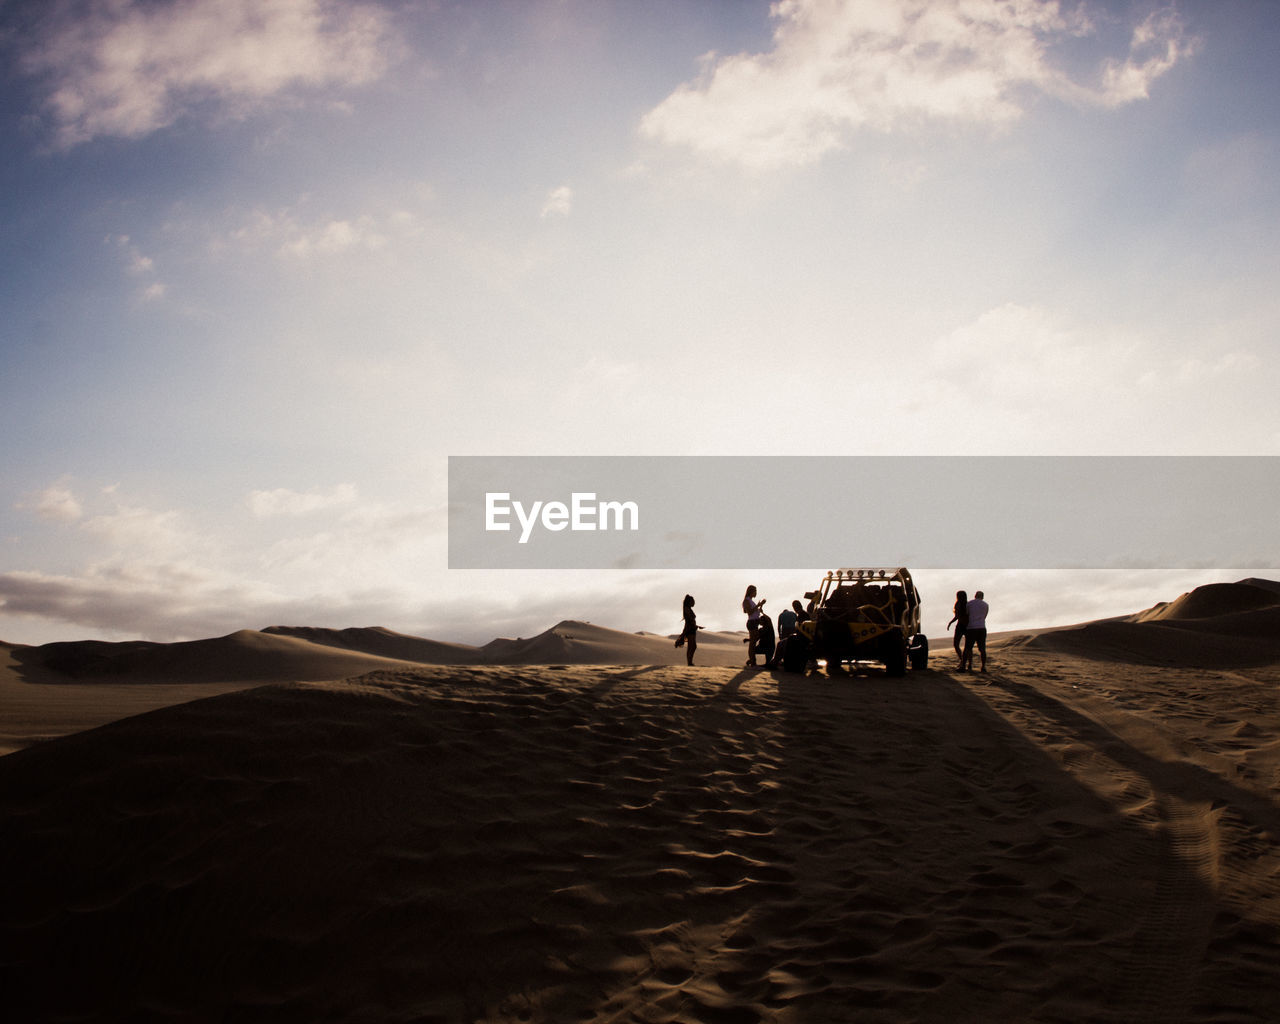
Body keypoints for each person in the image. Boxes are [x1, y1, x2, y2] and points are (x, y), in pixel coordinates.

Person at [961, 590, 989, 674]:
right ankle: (983, 666)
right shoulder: (986, 605)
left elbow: (967, 613)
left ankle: (963, 666)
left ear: (975, 595)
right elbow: (984, 616)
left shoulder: (969, 603)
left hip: (971, 627)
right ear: (982, 597)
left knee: (968, 648)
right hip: (981, 627)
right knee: (982, 649)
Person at [742, 585, 765, 667]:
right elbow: (749, 612)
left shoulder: (750, 601)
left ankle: (752, 660)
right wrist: (758, 605)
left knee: (754, 641)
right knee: (752, 643)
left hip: (755, 622)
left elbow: (754, 611)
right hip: (752, 622)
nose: (756, 593)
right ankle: (752, 661)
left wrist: (760, 606)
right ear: (751, 591)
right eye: (755, 591)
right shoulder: (746, 600)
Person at [674, 593, 699, 666]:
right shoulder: (687, 609)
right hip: (690, 629)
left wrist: (696, 625)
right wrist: (694, 625)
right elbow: (690, 620)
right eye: (693, 601)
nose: (694, 603)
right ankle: (689, 662)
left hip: (692, 628)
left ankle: (690, 662)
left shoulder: (688, 608)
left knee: (692, 646)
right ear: (689, 602)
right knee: (692, 646)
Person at [947, 590, 969, 666]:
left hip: (961, 626)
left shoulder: (959, 604)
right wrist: (950, 622)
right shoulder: (967, 604)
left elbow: (957, 616)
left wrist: (950, 622)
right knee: (968, 646)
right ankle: (967, 663)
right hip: (967, 626)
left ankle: (963, 661)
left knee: (956, 644)